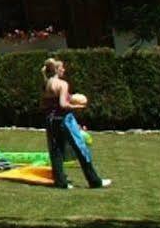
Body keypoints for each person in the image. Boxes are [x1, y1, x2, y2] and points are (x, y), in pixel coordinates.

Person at [42, 57, 111, 190]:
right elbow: (62, 104)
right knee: (81, 148)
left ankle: (61, 182)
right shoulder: (62, 84)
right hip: (64, 120)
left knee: (56, 151)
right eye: (62, 67)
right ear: (56, 69)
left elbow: (47, 103)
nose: (64, 69)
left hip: (51, 120)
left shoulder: (46, 83)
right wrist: (76, 107)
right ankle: (95, 181)